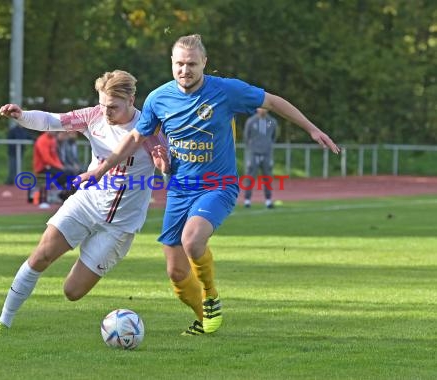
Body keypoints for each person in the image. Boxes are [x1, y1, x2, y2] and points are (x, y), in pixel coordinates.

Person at [79, 34, 340, 336]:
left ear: (204, 63)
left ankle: (211, 294)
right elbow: (136, 138)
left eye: (191, 64)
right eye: (179, 64)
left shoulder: (226, 91)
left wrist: (311, 129)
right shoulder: (158, 99)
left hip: (219, 185)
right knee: (176, 273)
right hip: (179, 189)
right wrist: (101, 171)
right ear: (172, 63)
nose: (185, 70)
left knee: (193, 240)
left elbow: (272, 101)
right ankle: (205, 320)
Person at [0, 70, 167, 332]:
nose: (106, 112)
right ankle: (3, 321)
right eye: (102, 105)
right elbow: (52, 120)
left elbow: (171, 172)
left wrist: (164, 165)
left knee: (72, 291)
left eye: (112, 107)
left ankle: (90, 253)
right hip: (86, 203)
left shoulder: (152, 129)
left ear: (131, 100)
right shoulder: (93, 116)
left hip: (120, 224)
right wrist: (21, 116)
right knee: (41, 255)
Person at [243, 107, 278, 209]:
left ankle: (268, 200)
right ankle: (247, 200)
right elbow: (246, 137)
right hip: (254, 153)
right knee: (250, 177)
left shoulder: (271, 122)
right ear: (257, 109)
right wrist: (252, 148)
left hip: (267, 153)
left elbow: (273, 136)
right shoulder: (251, 121)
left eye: (265, 108)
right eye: (261, 108)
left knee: (267, 177)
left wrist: (267, 146)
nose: (263, 110)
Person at [31, 131, 67, 208]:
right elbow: (46, 158)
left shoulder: (53, 139)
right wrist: (58, 166)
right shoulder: (42, 140)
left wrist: (60, 166)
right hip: (41, 167)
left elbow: (54, 156)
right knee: (60, 175)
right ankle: (45, 199)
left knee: (67, 173)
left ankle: (63, 195)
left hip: (50, 166)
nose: (55, 132)